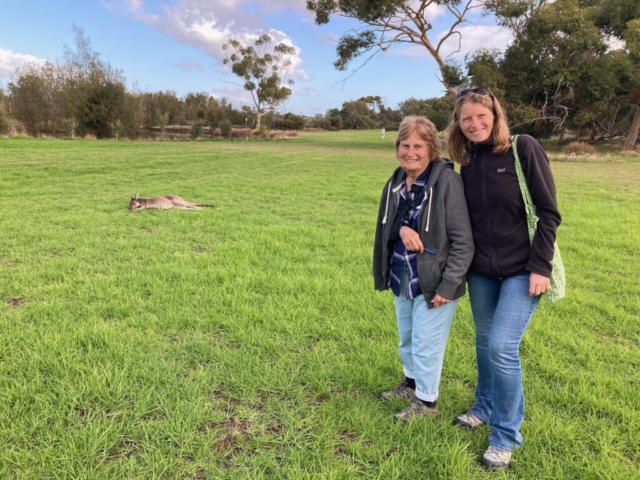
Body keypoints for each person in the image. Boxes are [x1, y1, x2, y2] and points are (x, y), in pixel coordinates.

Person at [446, 88, 561, 469]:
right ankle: (484, 405)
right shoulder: (469, 162)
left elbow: (548, 213)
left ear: (495, 115)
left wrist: (540, 266)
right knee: (483, 342)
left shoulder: (521, 147)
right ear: (459, 125)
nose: (475, 123)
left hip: (522, 271)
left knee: (501, 346)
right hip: (482, 272)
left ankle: (504, 436)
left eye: (481, 115)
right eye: (467, 119)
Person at [373, 116, 474, 422]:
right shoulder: (396, 182)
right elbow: (386, 228)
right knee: (407, 337)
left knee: (427, 342)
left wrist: (448, 285)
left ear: (432, 149)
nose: (410, 152)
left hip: (436, 281)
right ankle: (411, 384)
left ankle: (427, 404)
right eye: (405, 145)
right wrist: (403, 230)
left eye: (418, 145)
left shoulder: (447, 182)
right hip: (402, 276)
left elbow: (463, 242)